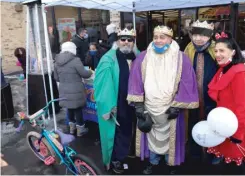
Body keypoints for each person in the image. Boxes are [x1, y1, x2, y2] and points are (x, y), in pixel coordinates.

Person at [127, 25, 199, 174]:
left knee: (170, 137)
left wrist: (177, 105)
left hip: (170, 107)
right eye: (156, 37)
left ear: (170, 39)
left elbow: (187, 82)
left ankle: (170, 163)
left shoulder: (181, 58)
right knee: (151, 135)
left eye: (162, 37)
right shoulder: (143, 57)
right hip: (149, 107)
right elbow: (135, 80)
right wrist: (139, 105)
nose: (158, 40)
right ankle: (153, 162)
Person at [207, 31, 245, 170]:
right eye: (216, 51)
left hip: (238, 127)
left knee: (237, 167)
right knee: (228, 165)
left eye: (222, 51)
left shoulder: (239, 73)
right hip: (226, 124)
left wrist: (238, 134)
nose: (217, 54)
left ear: (232, 52)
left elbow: (244, 107)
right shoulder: (223, 69)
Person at [94, 28, 137, 174]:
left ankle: (128, 153)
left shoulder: (138, 56)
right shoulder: (108, 59)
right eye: (123, 39)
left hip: (134, 103)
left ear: (133, 42)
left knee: (131, 129)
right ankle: (116, 160)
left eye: (129, 40)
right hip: (117, 103)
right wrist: (110, 106)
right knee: (117, 131)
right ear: (117, 41)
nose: (126, 42)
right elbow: (102, 86)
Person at [184, 20, 218, 162]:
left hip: (211, 96)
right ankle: (195, 153)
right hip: (193, 97)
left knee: (213, 125)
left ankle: (213, 152)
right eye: (195, 34)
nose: (198, 38)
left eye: (203, 35)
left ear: (209, 36)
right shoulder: (189, 48)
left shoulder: (216, 49)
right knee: (193, 122)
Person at [54, 42, 92, 137]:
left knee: (69, 108)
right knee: (77, 109)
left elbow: (56, 77)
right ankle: (80, 129)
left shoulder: (57, 61)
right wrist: (90, 72)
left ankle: (72, 128)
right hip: (75, 89)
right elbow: (84, 74)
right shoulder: (75, 60)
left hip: (63, 89)